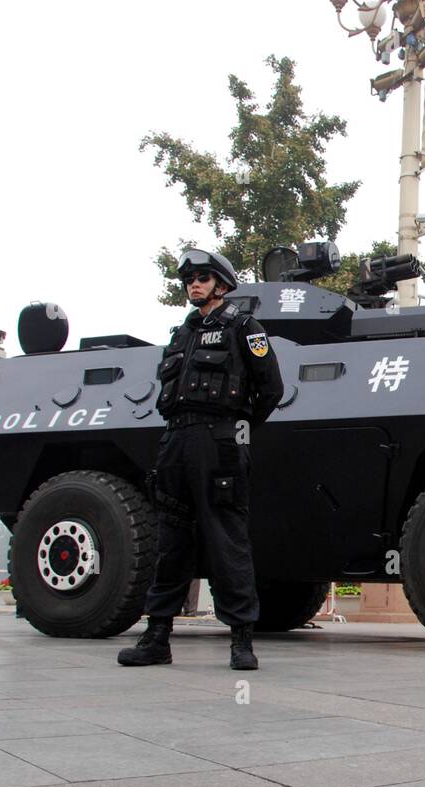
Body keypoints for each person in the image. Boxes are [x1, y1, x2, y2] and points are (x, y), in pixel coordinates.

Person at [118, 249, 284, 670]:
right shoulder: (181, 333)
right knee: (170, 543)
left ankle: (241, 641)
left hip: (220, 441)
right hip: (175, 441)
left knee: (227, 540)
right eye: (190, 278)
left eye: (204, 278)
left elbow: (271, 388)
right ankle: (157, 638)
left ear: (222, 284)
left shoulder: (245, 327)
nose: (195, 284)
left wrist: (237, 428)